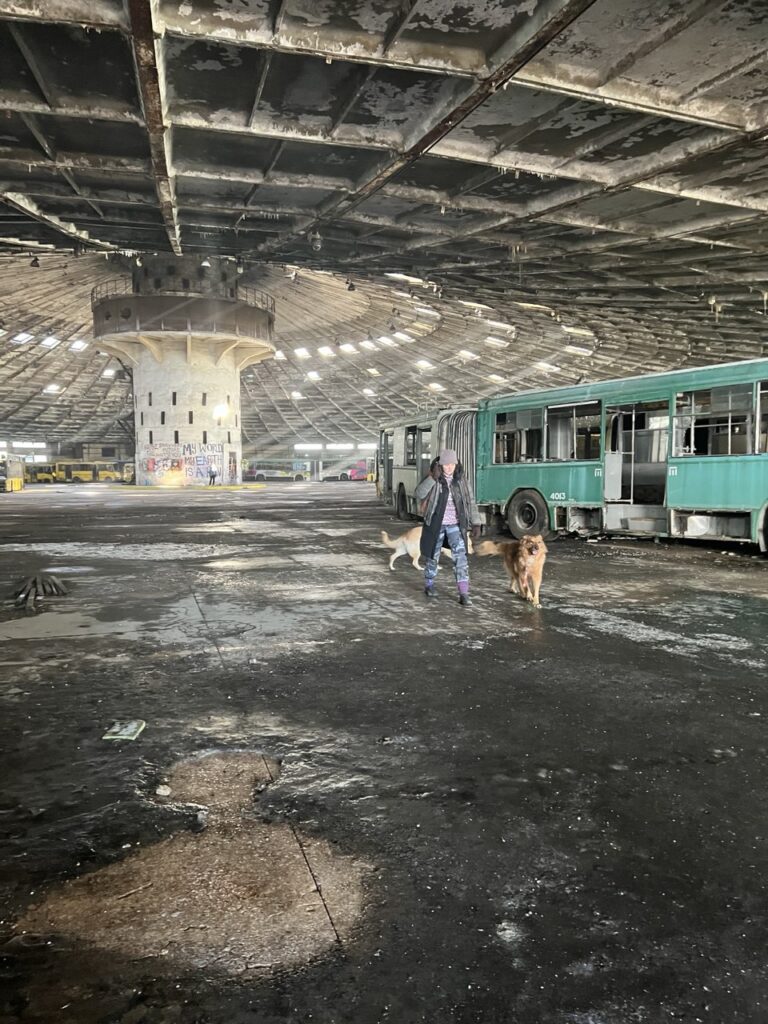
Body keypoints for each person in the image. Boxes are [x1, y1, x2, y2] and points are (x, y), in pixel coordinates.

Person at [413, 448, 482, 606]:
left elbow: (470, 502)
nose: (449, 467)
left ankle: (464, 593)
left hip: (455, 525)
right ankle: (429, 584)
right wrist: (432, 478)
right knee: (433, 556)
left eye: (452, 464)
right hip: (436, 524)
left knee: (461, 558)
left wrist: (476, 522)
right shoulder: (434, 478)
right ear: (440, 465)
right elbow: (418, 494)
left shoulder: (461, 480)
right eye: (446, 464)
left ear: (456, 464)